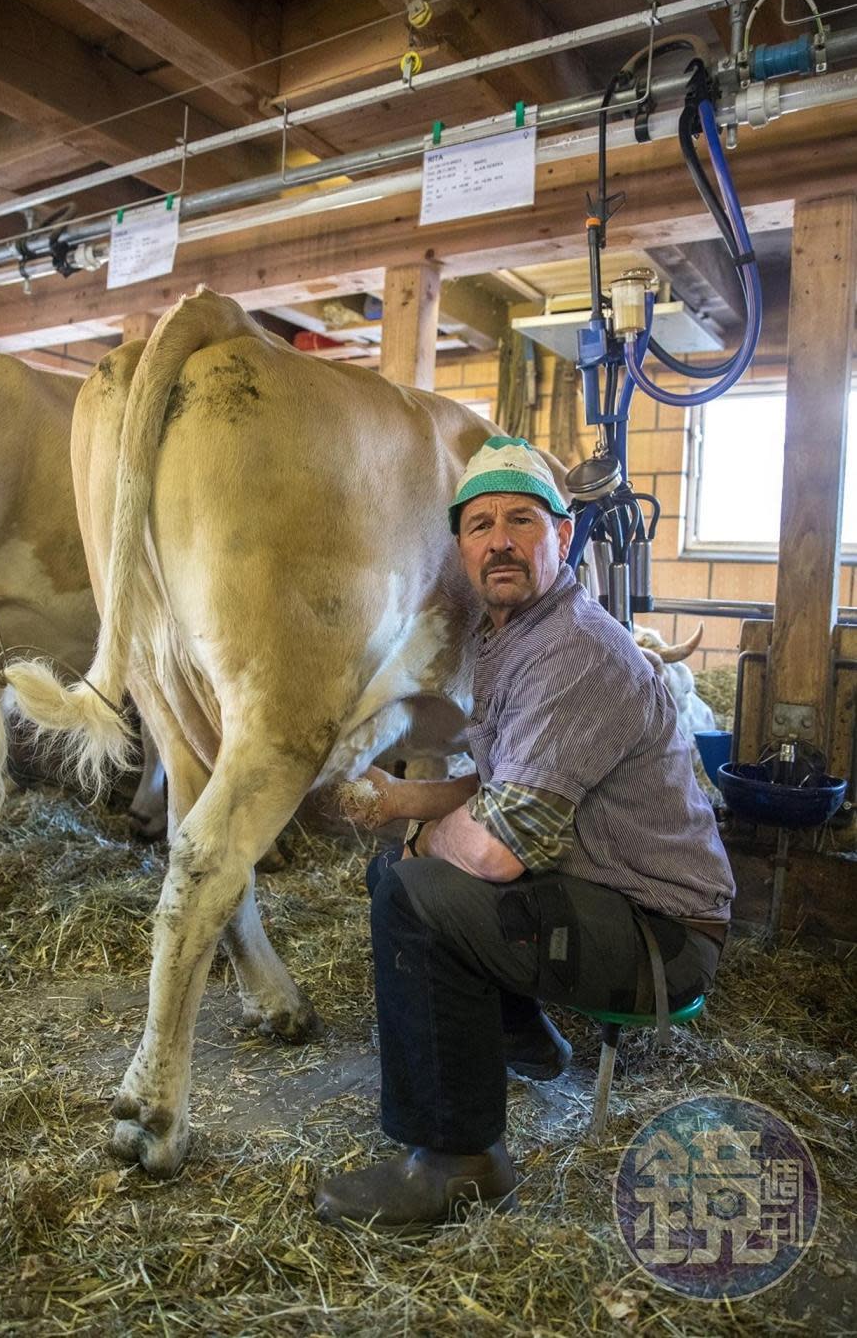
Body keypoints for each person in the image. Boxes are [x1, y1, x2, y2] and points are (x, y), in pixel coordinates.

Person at [315, 436, 735, 1231]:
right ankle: (524, 1038)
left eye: (520, 519)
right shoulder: (515, 634)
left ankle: (458, 1162)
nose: (498, 539)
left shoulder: (573, 652)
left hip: (661, 937)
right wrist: (404, 802)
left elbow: (502, 844)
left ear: (563, 536)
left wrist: (425, 834)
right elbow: (517, 783)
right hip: (603, 895)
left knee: (415, 891)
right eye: (478, 525)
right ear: (461, 547)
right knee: (399, 869)